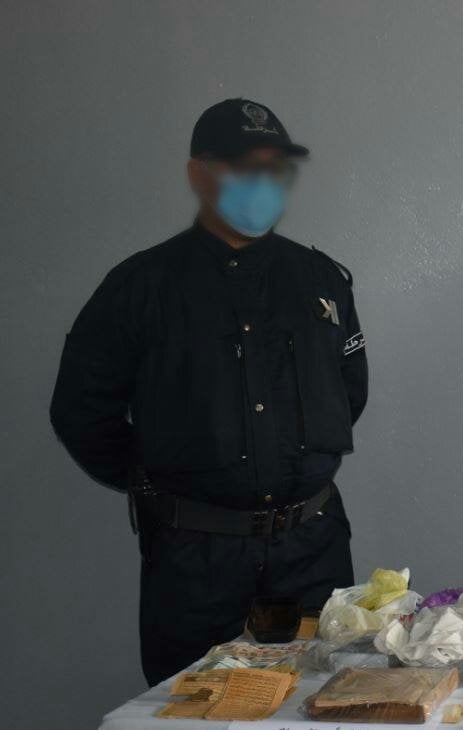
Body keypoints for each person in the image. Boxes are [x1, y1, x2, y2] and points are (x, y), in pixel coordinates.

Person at [50, 98, 368, 685]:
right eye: (245, 167)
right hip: (196, 563)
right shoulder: (141, 287)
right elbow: (80, 410)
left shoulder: (320, 280)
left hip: (312, 555)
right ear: (199, 174)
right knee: (193, 712)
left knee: (322, 706)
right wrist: (161, 475)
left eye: (275, 168)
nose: (263, 183)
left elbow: (350, 394)